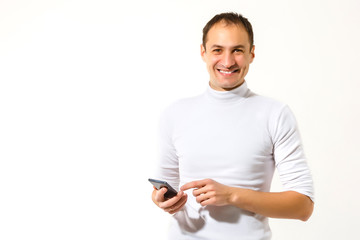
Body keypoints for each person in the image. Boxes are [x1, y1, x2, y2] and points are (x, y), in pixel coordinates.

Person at [151, 12, 314, 240]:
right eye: (218, 50)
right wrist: (162, 200)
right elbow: (163, 188)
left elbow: (303, 207)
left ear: (251, 54)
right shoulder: (174, 113)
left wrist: (232, 195)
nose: (227, 62)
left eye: (237, 50)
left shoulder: (275, 114)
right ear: (203, 52)